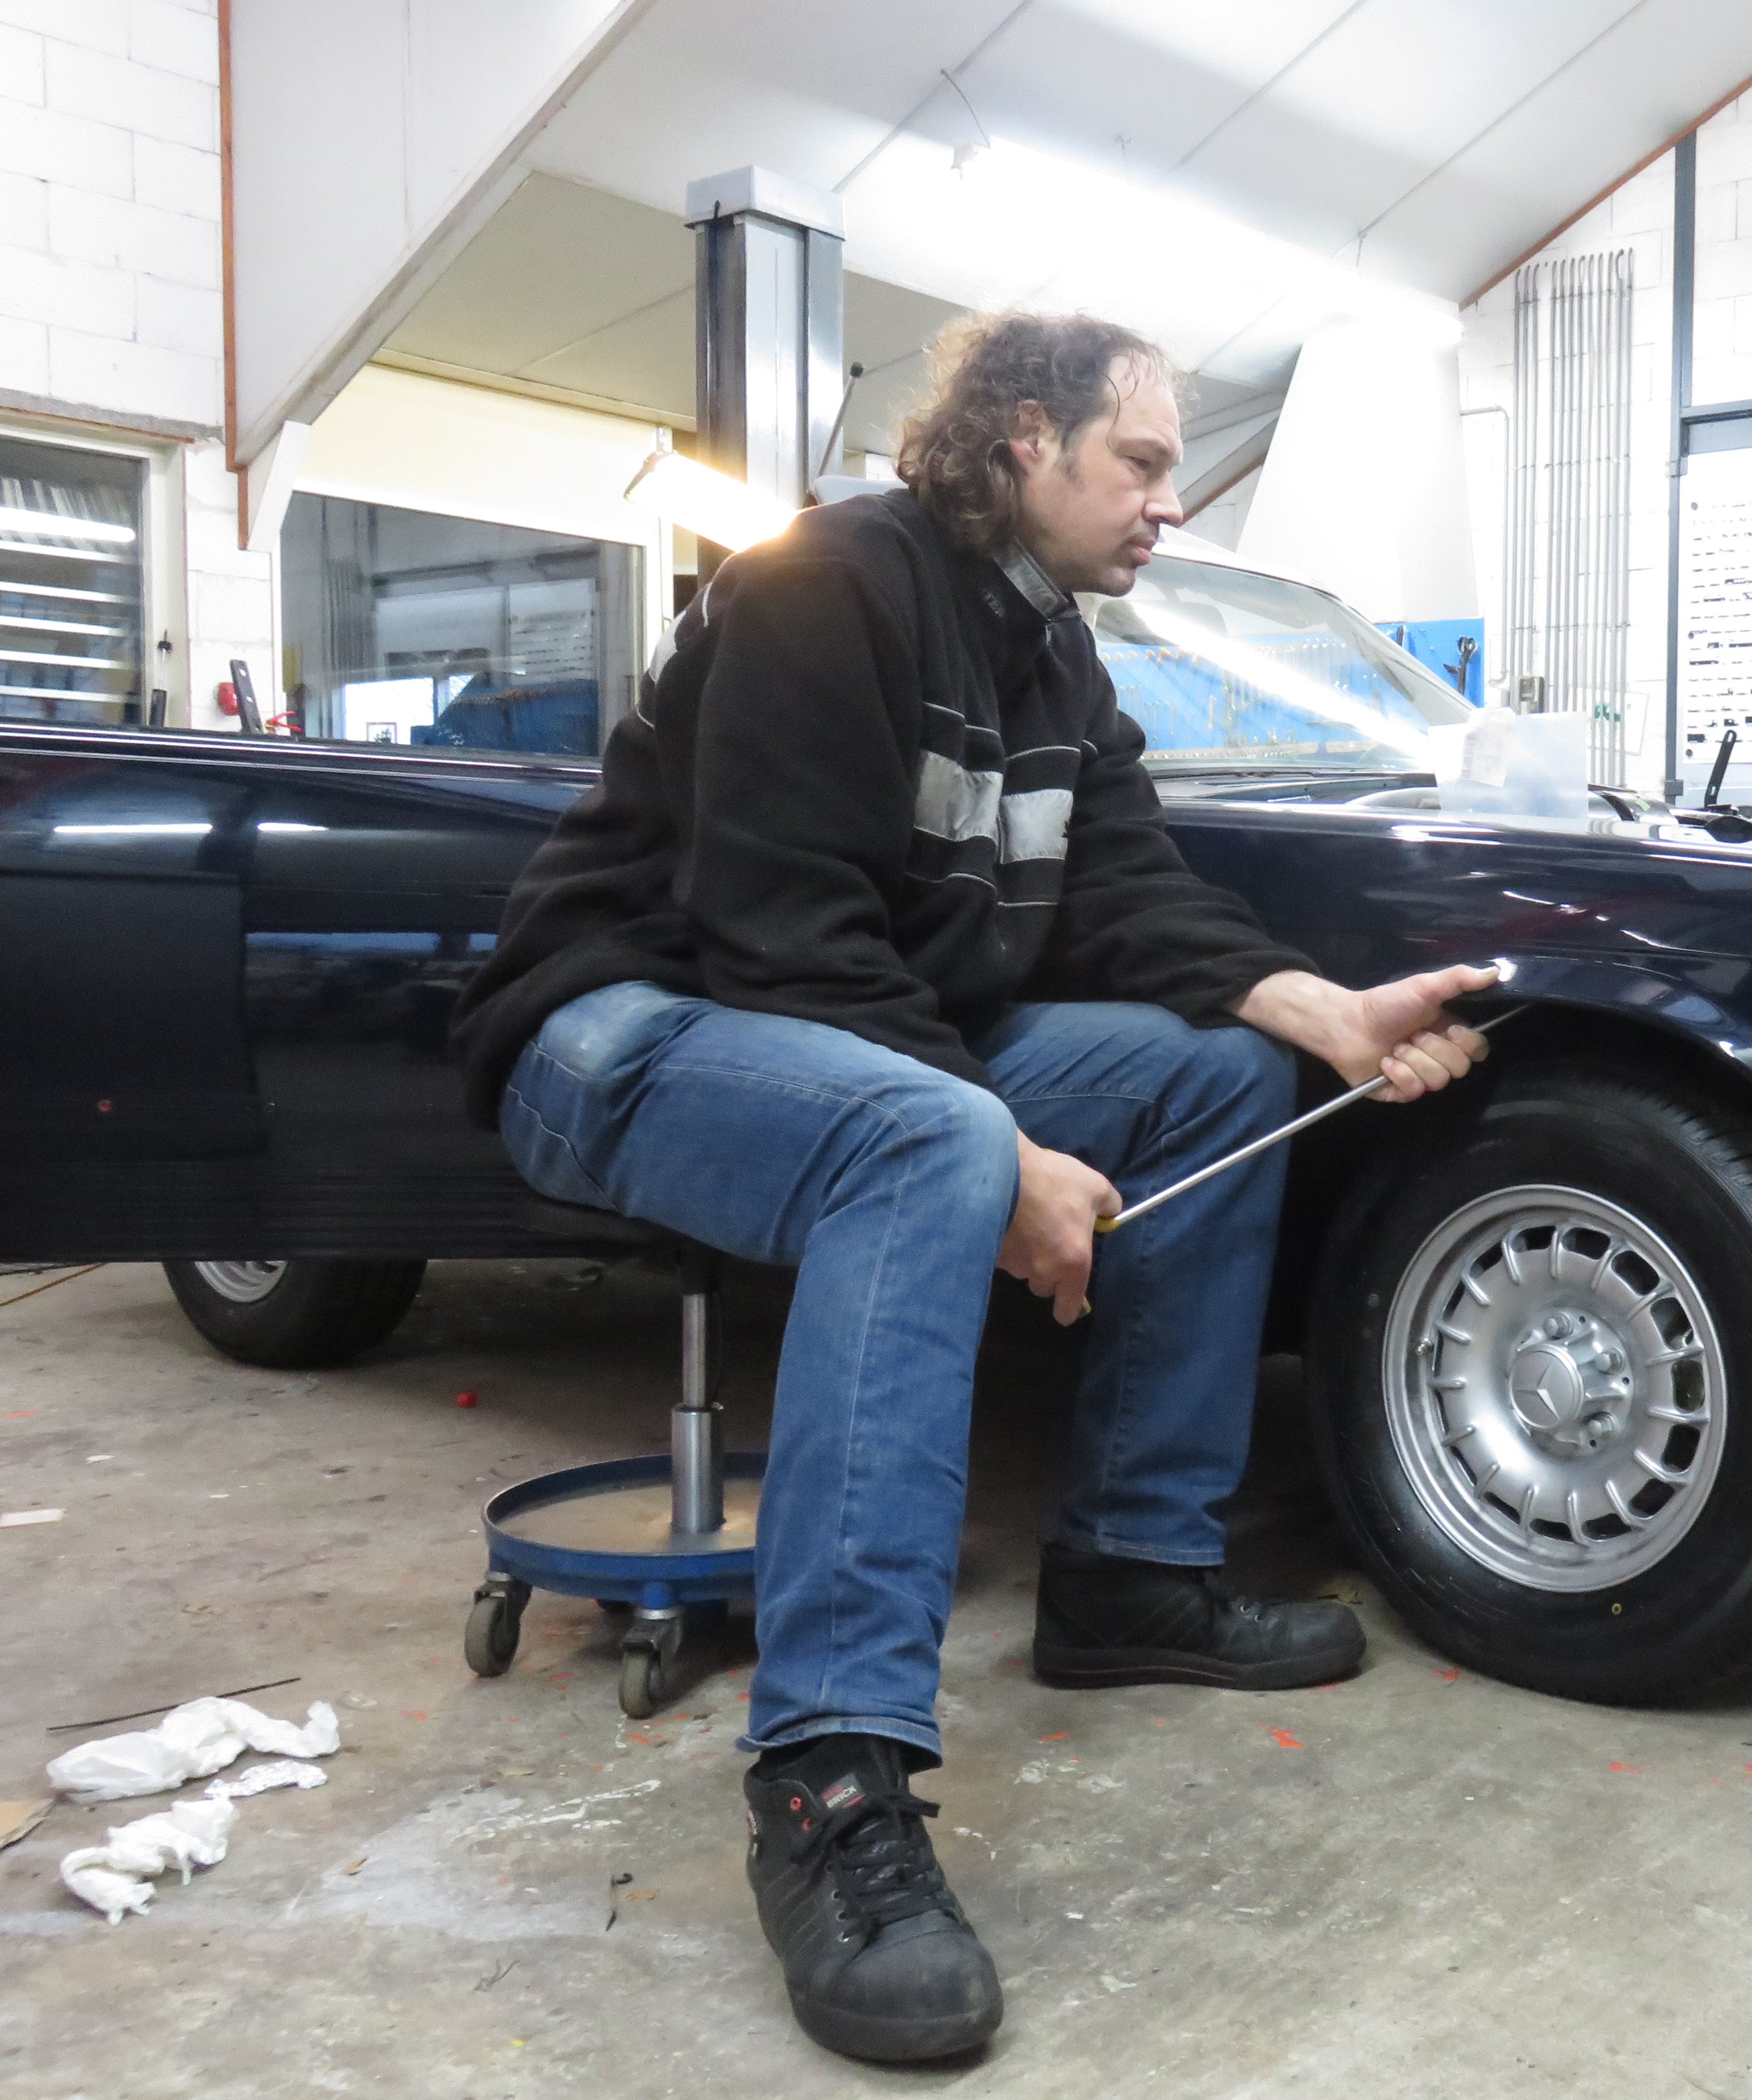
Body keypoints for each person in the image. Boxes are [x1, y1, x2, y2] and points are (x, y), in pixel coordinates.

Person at [449, 311, 1493, 2064]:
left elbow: (1131, 897)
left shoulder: (1056, 661)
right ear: (1023, 443)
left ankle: (1132, 1574)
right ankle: (828, 1776)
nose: (1170, 502)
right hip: (622, 1025)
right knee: (926, 1138)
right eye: (1141, 463)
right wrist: (1001, 1155)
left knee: (1214, 1075)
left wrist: (1324, 1013)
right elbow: (786, 936)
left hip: (857, 1030)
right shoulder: (825, 586)